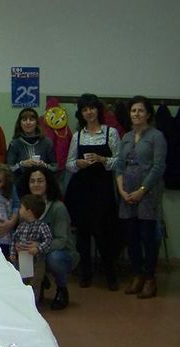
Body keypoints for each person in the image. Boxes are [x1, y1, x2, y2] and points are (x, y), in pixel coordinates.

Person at [65, 93, 121, 291]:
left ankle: (110, 275)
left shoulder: (110, 133)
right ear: (81, 113)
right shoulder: (77, 135)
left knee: (104, 233)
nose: (89, 112)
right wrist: (78, 163)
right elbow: (69, 164)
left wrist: (102, 159)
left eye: (92, 108)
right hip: (82, 191)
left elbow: (119, 162)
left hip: (103, 190)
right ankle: (86, 274)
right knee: (83, 234)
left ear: (98, 110)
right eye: (84, 109)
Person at [116, 96, 167, 298]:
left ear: (148, 114)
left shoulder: (157, 136)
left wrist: (142, 190)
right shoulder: (127, 137)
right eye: (133, 111)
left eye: (140, 111)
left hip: (148, 193)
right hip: (127, 192)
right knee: (132, 237)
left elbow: (158, 166)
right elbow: (119, 165)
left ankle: (149, 278)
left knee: (148, 237)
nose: (136, 114)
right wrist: (121, 190)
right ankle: (136, 275)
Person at [20, 166, 78, 310]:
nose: (36, 184)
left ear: (48, 183)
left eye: (40, 181)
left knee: (54, 259)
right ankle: (33, 289)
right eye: (32, 181)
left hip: (59, 251)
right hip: (35, 251)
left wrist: (39, 247)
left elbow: (61, 240)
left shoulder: (58, 207)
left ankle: (62, 288)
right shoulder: (26, 205)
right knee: (21, 256)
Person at [7, 107, 57, 191]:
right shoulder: (14, 143)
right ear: (20, 123)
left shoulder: (47, 142)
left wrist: (44, 165)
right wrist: (22, 164)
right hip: (21, 187)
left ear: (37, 123)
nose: (28, 122)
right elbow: (8, 169)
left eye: (31, 119)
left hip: (43, 187)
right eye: (24, 120)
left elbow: (55, 167)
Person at [12, 194, 53, 278]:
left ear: (29, 212)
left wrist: (38, 248)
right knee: (21, 280)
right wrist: (13, 252)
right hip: (21, 259)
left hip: (37, 261)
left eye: (21, 208)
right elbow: (14, 239)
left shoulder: (42, 226)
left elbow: (48, 240)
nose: (19, 210)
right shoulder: (21, 226)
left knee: (35, 283)